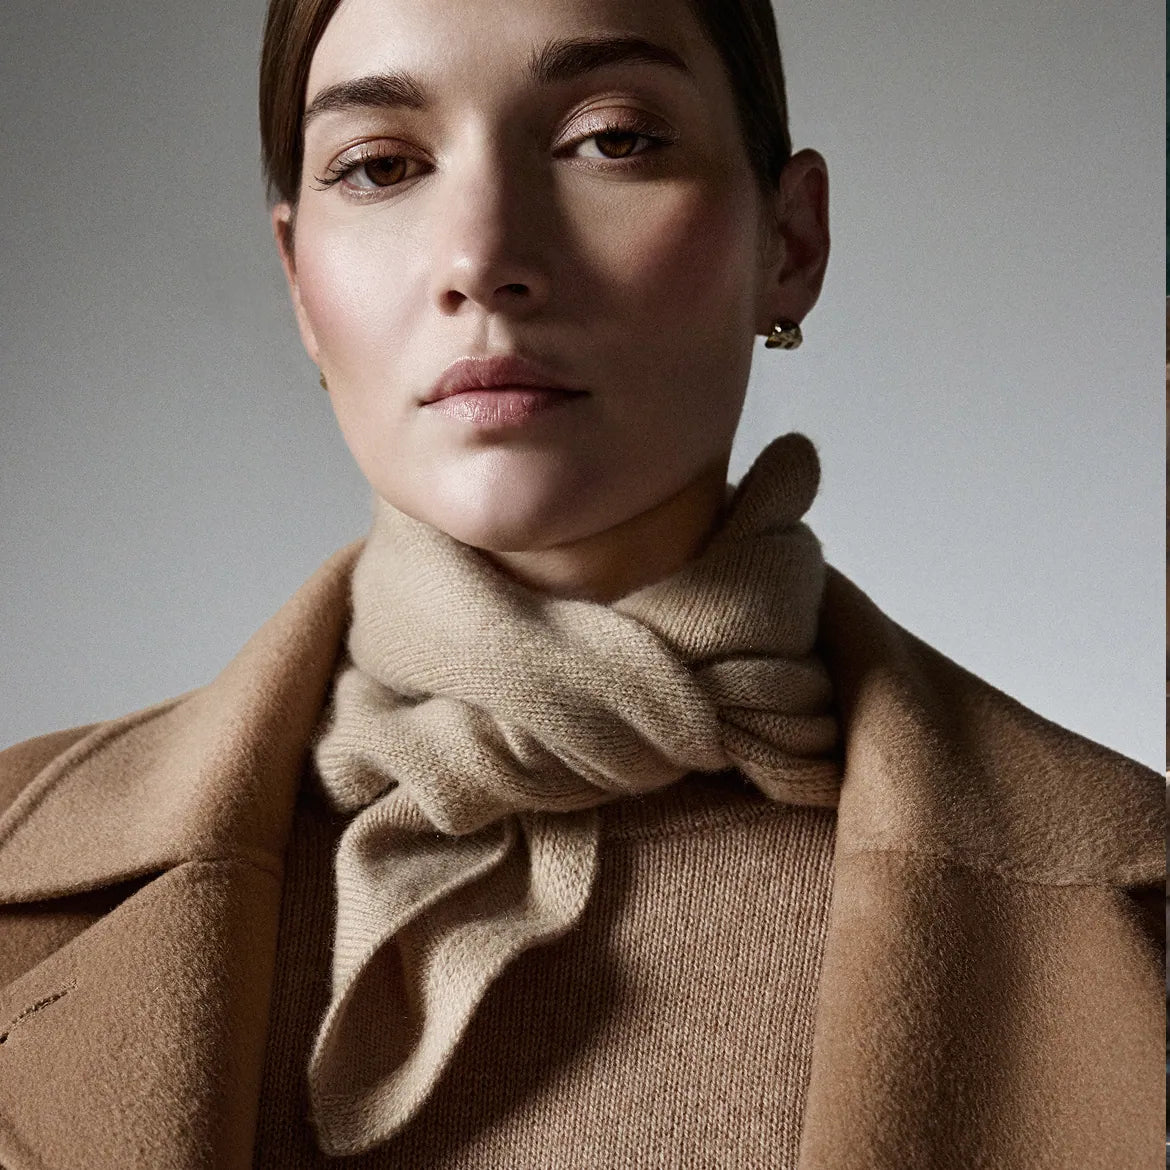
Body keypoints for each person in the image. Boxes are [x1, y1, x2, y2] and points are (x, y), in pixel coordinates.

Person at [0, 0, 1162, 1166]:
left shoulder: (1137, 916)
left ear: (790, 242)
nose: (484, 259)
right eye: (381, 165)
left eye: (612, 139)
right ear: (301, 284)